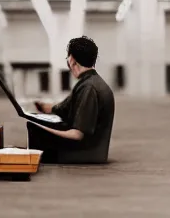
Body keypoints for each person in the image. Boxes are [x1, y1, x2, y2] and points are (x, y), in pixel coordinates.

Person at [27, 36, 115, 164]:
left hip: (86, 154)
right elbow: (67, 107)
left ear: (72, 60)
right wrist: (48, 108)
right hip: (92, 151)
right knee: (39, 124)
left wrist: (40, 127)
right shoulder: (90, 82)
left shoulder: (89, 88)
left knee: (34, 129)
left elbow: (77, 135)